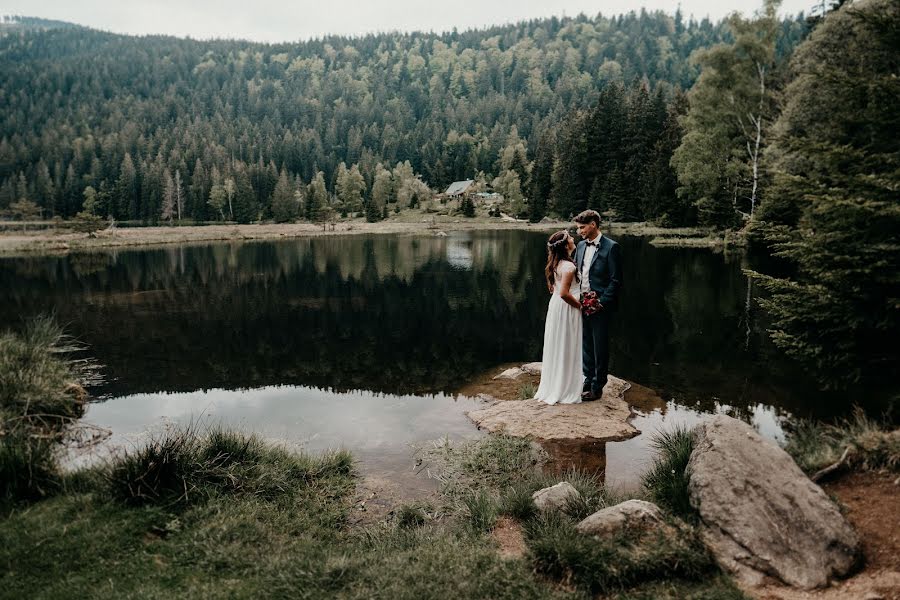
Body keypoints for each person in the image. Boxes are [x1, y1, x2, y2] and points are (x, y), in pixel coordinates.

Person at [574, 209, 622, 400]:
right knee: (586, 343)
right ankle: (587, 380)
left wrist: (601, 303)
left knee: (600, 346)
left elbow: (616, 281)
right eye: (578, 228)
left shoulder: (611, 247)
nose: (580, 231)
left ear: (593, 224)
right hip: (581, 303)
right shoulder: (580, 246)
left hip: (600, 306)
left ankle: (597, 387)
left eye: (582, 227)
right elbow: (578, 273)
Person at [534, 230, 584, 405]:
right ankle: (566, 387)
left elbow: (555, 290)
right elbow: (563, 293)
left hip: (556, 307)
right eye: (570, 237)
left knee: (559, 343)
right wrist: (580, 305)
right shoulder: (569, 267)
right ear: (565, 245)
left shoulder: (555, 264)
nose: (573, 238)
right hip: (568, 307)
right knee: (568, 344)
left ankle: (557, 383)